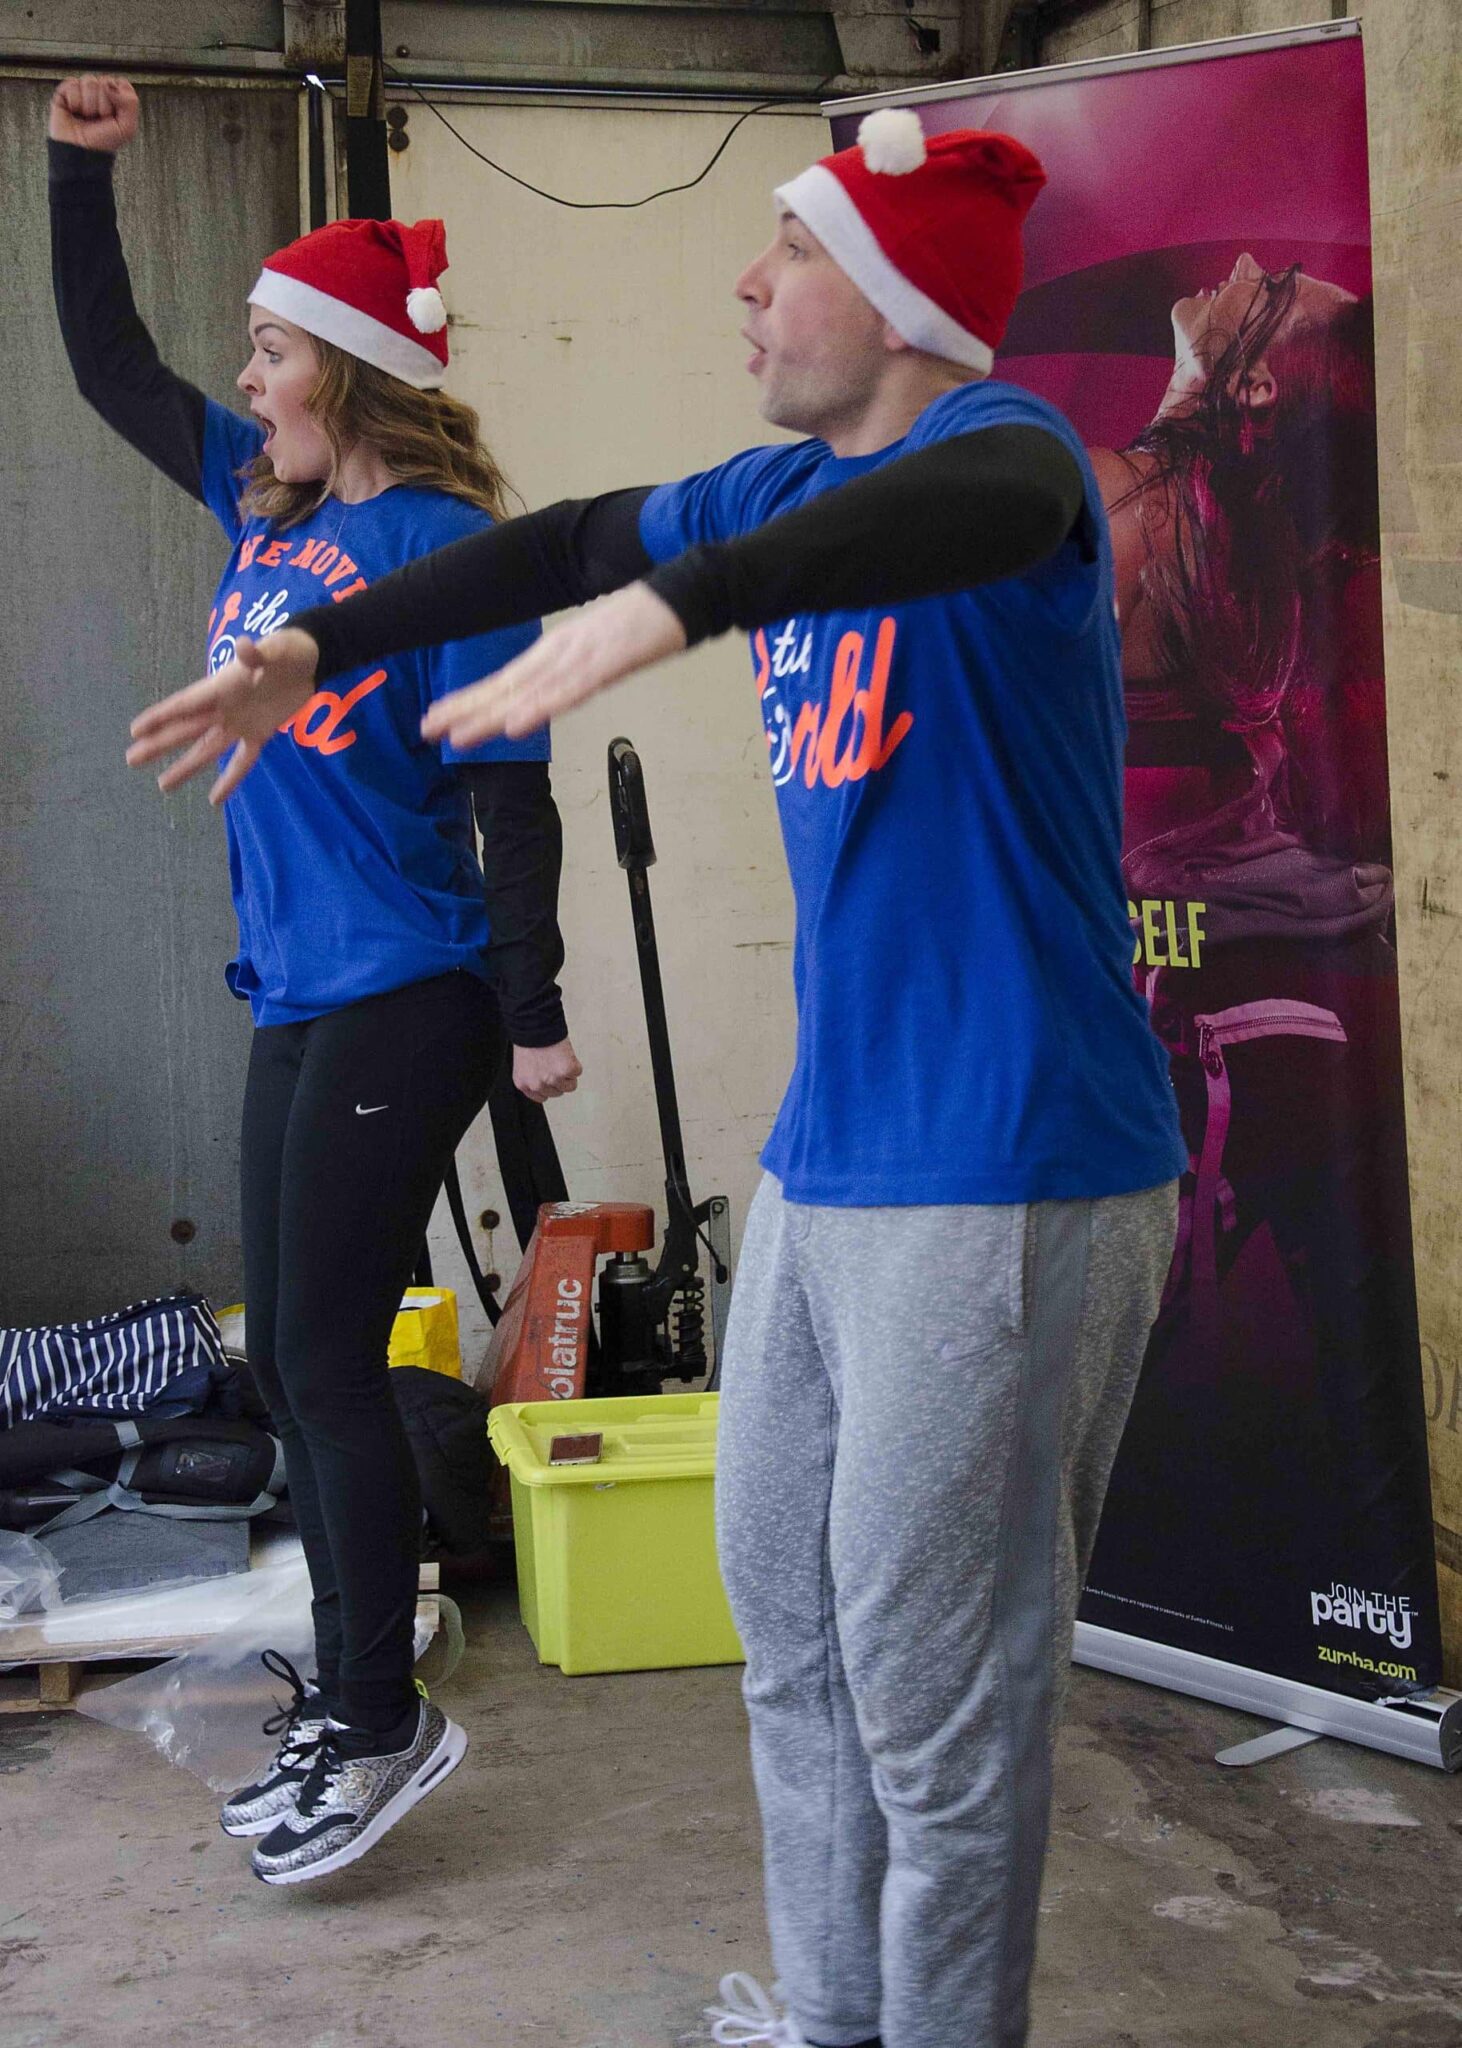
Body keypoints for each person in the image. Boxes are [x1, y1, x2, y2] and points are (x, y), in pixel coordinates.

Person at [130, 110, 1184, 2045]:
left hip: (1012, 1156)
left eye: (790, 248)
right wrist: (319, 644)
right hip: (835, 1157)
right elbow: (558, 540)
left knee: (934, 1689)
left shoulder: (1001, 454)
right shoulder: (772, 485)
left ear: (894, 300)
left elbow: (970, 512)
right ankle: (835, 2013)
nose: (747, 282)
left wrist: (684, 606)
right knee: (786, 1627)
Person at [49, 72, 582, 1886]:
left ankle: (374, 1724)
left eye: (272, 347)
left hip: (411, 991)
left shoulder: (446, 551)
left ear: (345, 371)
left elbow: (514, 794)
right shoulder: (261, 507)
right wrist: (75, 170)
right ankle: (351, 1700)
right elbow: (111, 365)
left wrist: (533, 1011)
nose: (247, 371)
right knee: (285, 1360)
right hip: (294, 991)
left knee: (331, 1363)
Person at [1075, 251, 1431, 1649]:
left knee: (1212, 1333)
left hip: (1205, 1010)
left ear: (1262, 384)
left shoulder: (1137, 508)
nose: (1232, 268)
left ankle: (1343, 1612)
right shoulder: (1224, 536)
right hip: (1209, 994)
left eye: (1264, 289)